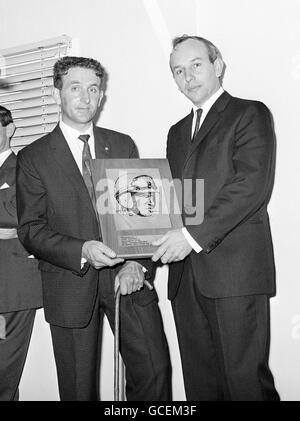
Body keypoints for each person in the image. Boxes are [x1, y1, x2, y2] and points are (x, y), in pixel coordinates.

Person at [16, 56, 171, 401]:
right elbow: (31, 229)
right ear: (57, 94)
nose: (86, 98)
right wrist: (82, 250)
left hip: (128, 279)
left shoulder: (122, 144)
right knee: (78, 390)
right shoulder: (33, 158)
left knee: (155, 372)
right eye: (75, 88)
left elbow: (144, 215)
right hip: (70, 284)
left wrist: (138, 263)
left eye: (93, 89)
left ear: (101, 96)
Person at [152, 35, 279, 401]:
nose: (188, 76)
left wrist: (189, 237)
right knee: (200, 388)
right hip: (185, 279)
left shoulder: (249, 113)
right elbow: (175, 200)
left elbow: (250, 187)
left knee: (246, 387)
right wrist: (135, 240)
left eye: (196, 65)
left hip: (234, 275)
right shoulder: (176, 133)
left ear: (217, 65)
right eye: (179, 71)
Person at [0, 106, 42, 400]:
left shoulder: (24, 167)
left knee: (3, 372)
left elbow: (17, 216)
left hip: (11, 286)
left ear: (10, 128)